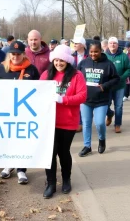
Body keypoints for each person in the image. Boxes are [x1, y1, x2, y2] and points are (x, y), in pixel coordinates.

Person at [40, 45, 86, 198]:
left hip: (68, 121)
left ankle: (66, 179)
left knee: (63, 152)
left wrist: (63, 99)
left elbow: (82, 96)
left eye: (62, 61)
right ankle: (51, 183)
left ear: (67, 61)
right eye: (56, 60)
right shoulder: (46, 74)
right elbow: (36, 91)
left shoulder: (76, 75)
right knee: (50, 153)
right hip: (49, 121)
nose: (58, 63)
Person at [0, 40, 40, 184]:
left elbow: (39, 89)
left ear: (23, 54)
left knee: (22, 140)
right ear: (9, 54)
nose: (15, 57)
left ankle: (21, 170)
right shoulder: (1, 68)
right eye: (13, 54)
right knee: (7, 138)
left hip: (25, 112)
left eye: (18, 54)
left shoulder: (31, 69)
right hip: (5, 112)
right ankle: (8, 165)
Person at [77, 41, 120, 157]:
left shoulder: (108, 64)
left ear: (101, 51)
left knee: (100, 123)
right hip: (85, 99)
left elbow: (116, 79)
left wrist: (104, 86)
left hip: (101, 100)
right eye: (91, 52)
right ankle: (87, 146)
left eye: (96, 51)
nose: (93, 54)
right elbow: (76, 77)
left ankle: (102, 139)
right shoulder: (83, 63)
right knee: (86, 123)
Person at [105, 37, 130, 133]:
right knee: (105, 105)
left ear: (117, 45)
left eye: (114, 43)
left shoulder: (124, 56)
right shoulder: (104, 55)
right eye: (111, 43)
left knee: (118, 106)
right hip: (107, 86)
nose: (112, 45)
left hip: (119, 86)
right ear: (108, 45)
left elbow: (129, 69)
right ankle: (110, 114)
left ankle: (117, 124)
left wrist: (122, 77)